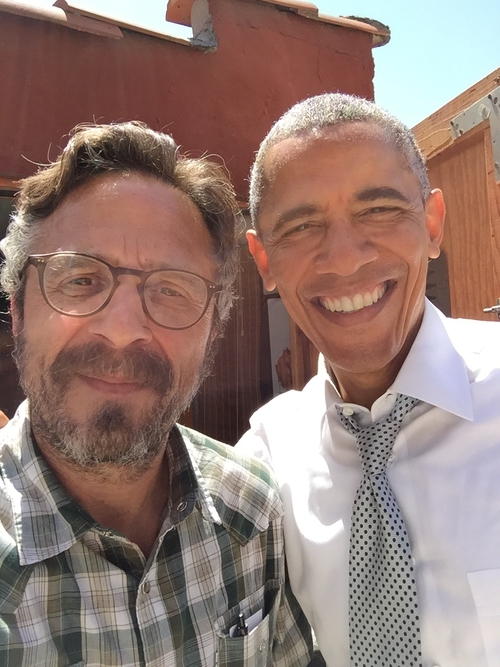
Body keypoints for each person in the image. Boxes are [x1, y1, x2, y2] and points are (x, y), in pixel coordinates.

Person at [0, 121, 313, 666]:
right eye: (80, 279)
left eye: (170, 289)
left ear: (212, 331)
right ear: (18, 309)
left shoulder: (251, 510)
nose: (123, 331)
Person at [237, 93, 500, 667]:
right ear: (265, 262)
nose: (344, 258)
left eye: (378, 209)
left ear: (432, 224)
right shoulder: (264, 463)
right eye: (301, 226)